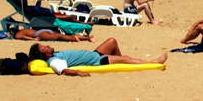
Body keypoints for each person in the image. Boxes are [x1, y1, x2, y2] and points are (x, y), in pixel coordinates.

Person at [28, 38, 168, 74]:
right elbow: (63, 70)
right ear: (43, 54)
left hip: (95, 54)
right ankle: (154, 62)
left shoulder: (54, 54)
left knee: (112, 41)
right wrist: (79, 73)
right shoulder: (53, 60)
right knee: (126, 58)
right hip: (97, 61)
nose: (47, 46)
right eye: (44, 47)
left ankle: (121, 64)